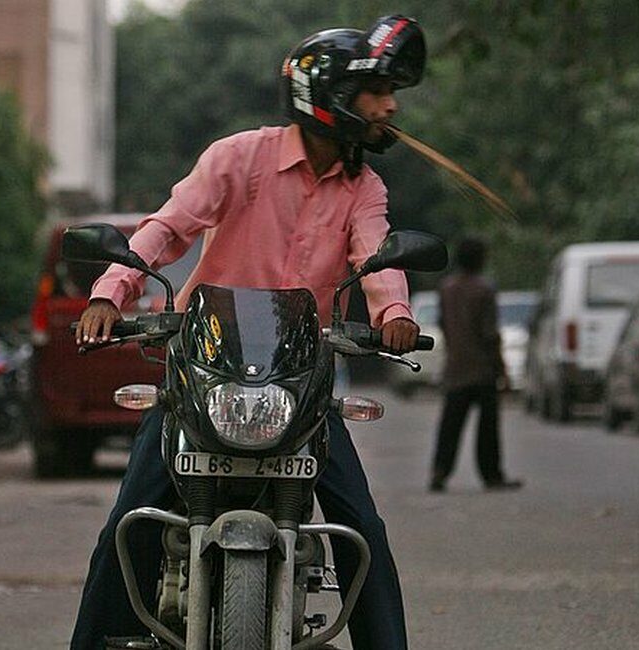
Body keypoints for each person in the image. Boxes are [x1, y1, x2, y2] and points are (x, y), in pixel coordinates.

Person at [71, 15, 427, 650]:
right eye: (376, 92)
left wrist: (393, 315)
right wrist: (110, 292)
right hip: (203, 366)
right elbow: (168, 227)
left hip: (299, 376)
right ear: (331, 98)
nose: (390, 106)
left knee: (361, 526)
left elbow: (378, 257)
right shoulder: (240, 157)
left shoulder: (363, 186)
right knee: (130, 521)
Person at [429, 237, 523, 492]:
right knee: (488, 428)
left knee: (450, 425)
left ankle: (439, 471)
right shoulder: (484, 290)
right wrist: (501, 369)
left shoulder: (447, 288)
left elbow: (444, 324)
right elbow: (490, 333)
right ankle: (491, 474)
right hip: (482, 369)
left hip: (456, 367)